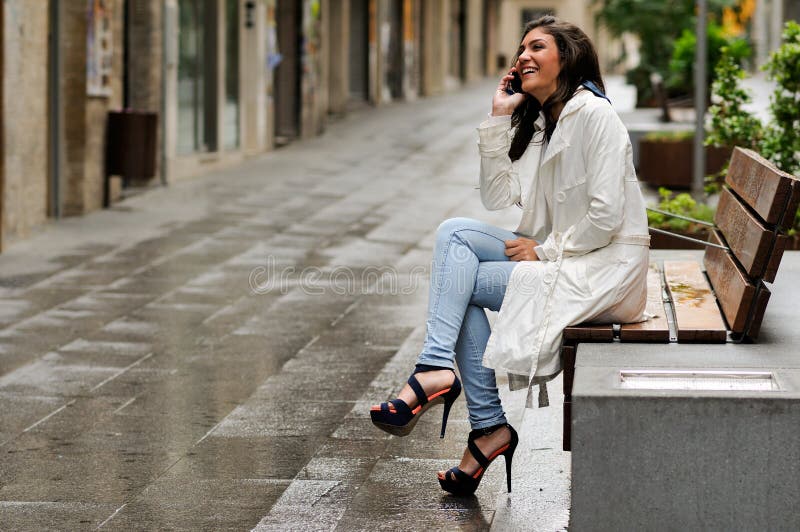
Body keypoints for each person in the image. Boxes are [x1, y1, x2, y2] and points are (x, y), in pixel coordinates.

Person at [369, 16, 650, 497]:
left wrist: (544, 251)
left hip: (606, 270)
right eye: (520, 48)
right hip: (574, 257)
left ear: (568, 56)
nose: (522, 56)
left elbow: (605, 216)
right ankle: (452, 386)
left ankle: (474, 412)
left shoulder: (594, 115)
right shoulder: (546, 119)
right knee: (454, 235)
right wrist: (501, 117)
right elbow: (498, 199)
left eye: (537, 47)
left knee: (460, 287)